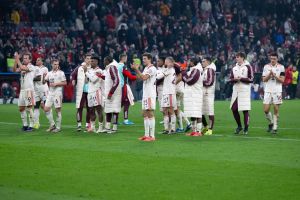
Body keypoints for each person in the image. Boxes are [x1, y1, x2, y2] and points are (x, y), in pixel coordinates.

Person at [131, 53, 157, 141]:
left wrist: (137, 69)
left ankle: (152, 136)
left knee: (150, 113)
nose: (143, 60)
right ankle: (146, 135)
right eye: (143, 59)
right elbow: (140, 78)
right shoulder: (146, 68)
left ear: (150, 59)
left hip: (150, 94)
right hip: (145, 94)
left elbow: (144, 77)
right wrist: (135, 70)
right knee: (144, 114)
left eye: (145, 59)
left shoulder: (152, 69)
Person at [230, 52, 253, 135]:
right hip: (236, 91)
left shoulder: (248, 67)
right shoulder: (234, 68)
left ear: (243, 58)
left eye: (238, 57)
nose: (236, 58)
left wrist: (242, 79)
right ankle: (239, 126)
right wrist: (235, 79)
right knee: (234, 109)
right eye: (236, 57)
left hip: (245, 90)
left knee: (245, 110)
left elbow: (251, 79)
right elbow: (231, 79)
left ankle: (246, 128)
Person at [13, 52, 37, 132]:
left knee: (29, 108)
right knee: (21, 108)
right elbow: (14, 70)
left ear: (30, 59)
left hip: (29, 89)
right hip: (22, 90)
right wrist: (15, 61)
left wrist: (17, 59)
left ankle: (32, 125)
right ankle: (25, 125)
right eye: (23, 58)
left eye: (26, 58)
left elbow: (23, 68)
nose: (24, 59)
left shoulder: (32, 67)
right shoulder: (22, 66)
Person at [262, 53, 285, 134]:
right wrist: (269, 74)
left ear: (277, 59)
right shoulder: (266, 67)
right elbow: (264, 79)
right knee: (266, 110)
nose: (272, 60)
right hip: (268, 90)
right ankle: (271, 123)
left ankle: (275, 127)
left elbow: (282, 80)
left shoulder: (281, 67)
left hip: (277, 90)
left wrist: (275, 76)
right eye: (271, 58)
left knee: (276, 109)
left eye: (274, 58)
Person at [181, 57, 203, 136]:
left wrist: (183, 73)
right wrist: (184, 73)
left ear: (193, 62)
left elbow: (189, 81)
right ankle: (194, 131)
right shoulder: (192, 70)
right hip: (191, 94)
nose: (188, 62)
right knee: (192, 113)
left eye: (189, 61)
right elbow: (185, 79)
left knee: (197, 113)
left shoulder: (196, 70)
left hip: (196, 94)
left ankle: (199, 131)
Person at [43, 59, 67, 133]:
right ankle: (52, 125)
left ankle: (58, 127)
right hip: (50, 93)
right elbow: (44, 81)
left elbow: (65, 82)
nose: (56, 65)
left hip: (57, 93)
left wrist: (56, 84)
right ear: (51, 64)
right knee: (46, 109)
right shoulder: (49, 73)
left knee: (57, 110)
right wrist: (43, 78)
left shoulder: (61, 73)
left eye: (57, 64)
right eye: (55, 64)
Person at [71, 54, 92, 131]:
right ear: (84, 59)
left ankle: (87, 124)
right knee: (79, 107)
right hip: (81, 90)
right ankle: (79, 124)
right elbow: (73, 74)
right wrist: (73, 80)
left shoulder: (93, 68)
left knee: (89, 108)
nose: (89, 60)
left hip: (90, 91)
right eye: (87, 58)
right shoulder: (79, 68)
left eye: (90, 58)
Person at [156, 57, 177, 134]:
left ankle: (173, 129)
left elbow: (158, 76)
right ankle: (166, 129)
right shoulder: (168, 70)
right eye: (165, 62)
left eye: (167, 62)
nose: (165, 63)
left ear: (171, 63)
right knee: (165, 110)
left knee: (171, 110)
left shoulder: (170, 70)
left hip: (170, 93)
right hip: (165, 93)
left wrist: (153, 75)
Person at [85, 55, 105, 133]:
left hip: (96, 92)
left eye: (92, 61)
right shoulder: (90, 70)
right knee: (91, 110)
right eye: (90, 61)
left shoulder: (99, 71)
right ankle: (92, 127)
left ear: (96, 62)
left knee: (99, 110)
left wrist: (86, 72)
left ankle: (100, 128)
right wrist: (87, 73)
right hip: (89, 92)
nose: (91, 62)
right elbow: (87, 81)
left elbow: (93, 80)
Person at [103, 56, 121, 133]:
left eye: (104, 60)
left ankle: (114, 128)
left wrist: (111, 92)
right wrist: (101, 76)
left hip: (114, 93)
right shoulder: (108, 68)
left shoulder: (112, 67)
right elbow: (109, 79)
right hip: (109, 92)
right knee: (108, 110)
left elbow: (116, 80)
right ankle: (107, 127)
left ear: (108, 60)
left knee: (114, 110)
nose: (103, 62)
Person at [117, 53, 137, 125]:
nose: (126, 59)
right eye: (126, 58)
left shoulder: (116, 65)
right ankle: (125, 120)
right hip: (123, 86)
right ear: (123, 58)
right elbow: (130, 76)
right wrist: (137, 76)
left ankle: (115, 119)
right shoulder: (123, 66)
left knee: (120, 103)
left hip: (117, 86)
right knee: (126, 102)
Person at [33, 57, 49, 129]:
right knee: (36, 107)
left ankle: (51, 122)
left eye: (38, 60)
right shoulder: (34, 68)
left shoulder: (45, 69)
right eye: (36, 60)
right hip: (36, 90)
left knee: (46, 106)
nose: (36, 61)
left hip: (43, 90)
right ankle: (36, 123)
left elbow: (44, 80)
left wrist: (31, 78)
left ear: (42, 62)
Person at [201, 57, 216, 135]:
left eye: (204, 61)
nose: (202, 63)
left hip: (209, 93)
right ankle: (206, 126)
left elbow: (210, 82)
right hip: (204, 93)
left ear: (208, 62)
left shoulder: (210, 70)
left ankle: (210, 129)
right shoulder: (205, 70)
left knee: (210, 111)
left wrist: (200, 82)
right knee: (201, 111)